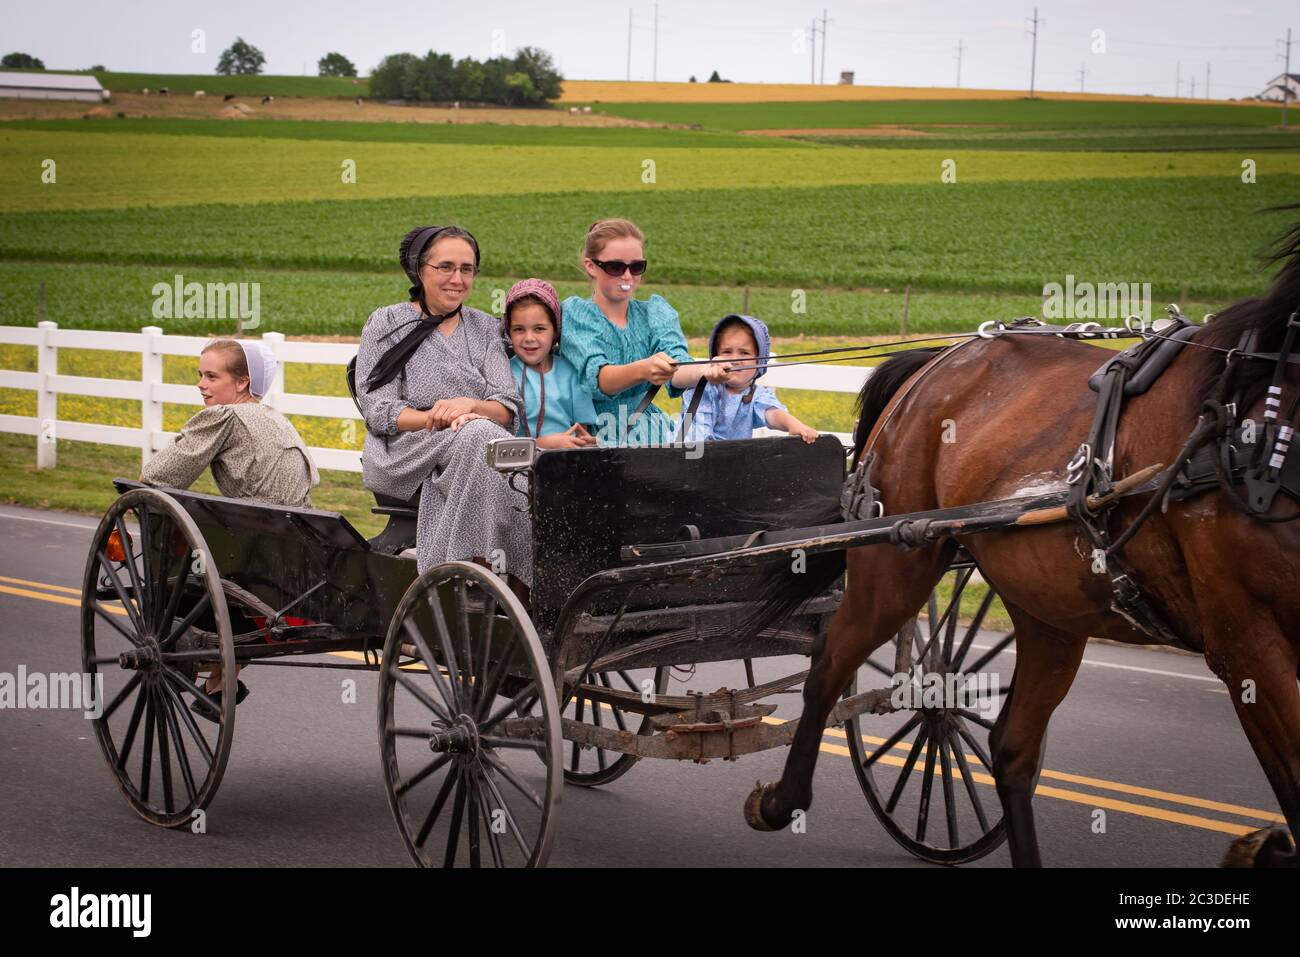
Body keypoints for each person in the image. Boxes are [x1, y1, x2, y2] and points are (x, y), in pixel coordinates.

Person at [140, 337, 320, 719]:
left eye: (211, 376)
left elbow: (156, 476)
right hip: (299, 550)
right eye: (200, 376)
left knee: (191, 559)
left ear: (241, 383)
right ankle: (221, 679)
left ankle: (208, 668)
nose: (201, 385)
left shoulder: (225, 416)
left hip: (256, 551)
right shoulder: (274, 418)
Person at [354, 224, 531, 604]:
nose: (457, 279)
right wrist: (441, 418)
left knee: (530, 461)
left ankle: (528, 580)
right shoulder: (386, 323)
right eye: (445, 267)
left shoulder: (484, 327)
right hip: (406, 448)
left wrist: (469, 407)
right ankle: (471, 567)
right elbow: (378, 411)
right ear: (420, 270)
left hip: (478, 434)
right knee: (480, 439)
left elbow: (506, 407)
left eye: (467, 269)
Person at [560, 218, 729, 446]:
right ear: (591, 266)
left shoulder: (655, 313)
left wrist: (705, 370)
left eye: (636, 267)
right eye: (615, 267)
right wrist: (643, 369)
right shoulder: (576, 313)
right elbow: (599, 380)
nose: (627, 276)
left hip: (648, 429)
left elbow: (677, 368)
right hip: (591, 432)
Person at [682, 314, 819, 443]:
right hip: (690, 458)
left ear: (759, 363)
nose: (735, 359)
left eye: (745, 353)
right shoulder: (706, 388)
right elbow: (697, 436)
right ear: (716, 356)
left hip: (729, 461)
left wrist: (794, 425)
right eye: (727, 352)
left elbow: (773, 414)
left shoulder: (756, 396)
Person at [500, 278, 598, 449]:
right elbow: (501, 442)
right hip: (518, 468)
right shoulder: (503, 373)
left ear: (555, 331)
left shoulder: (572, 372)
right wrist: (546, 445)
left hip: (567, 461)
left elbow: (582, 430)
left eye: (539, 329)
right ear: (509, 332)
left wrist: (585, 442)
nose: (529, 338)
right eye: (519, 329)